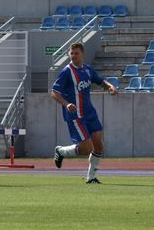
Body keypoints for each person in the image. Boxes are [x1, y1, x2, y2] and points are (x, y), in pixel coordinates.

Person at [50, 42, 118, 184]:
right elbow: (54, 92)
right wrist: (66, 104)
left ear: (83, 54)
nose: (73, 56)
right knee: (87, 148)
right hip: (75, 115)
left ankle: (91, 177)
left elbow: (100, 81)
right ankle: (61, 151)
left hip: (89, 113)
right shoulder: (67, 71)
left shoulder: (87, 69)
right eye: (72, 53)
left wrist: (110, 87)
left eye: (76, 53)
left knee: (99, 146)